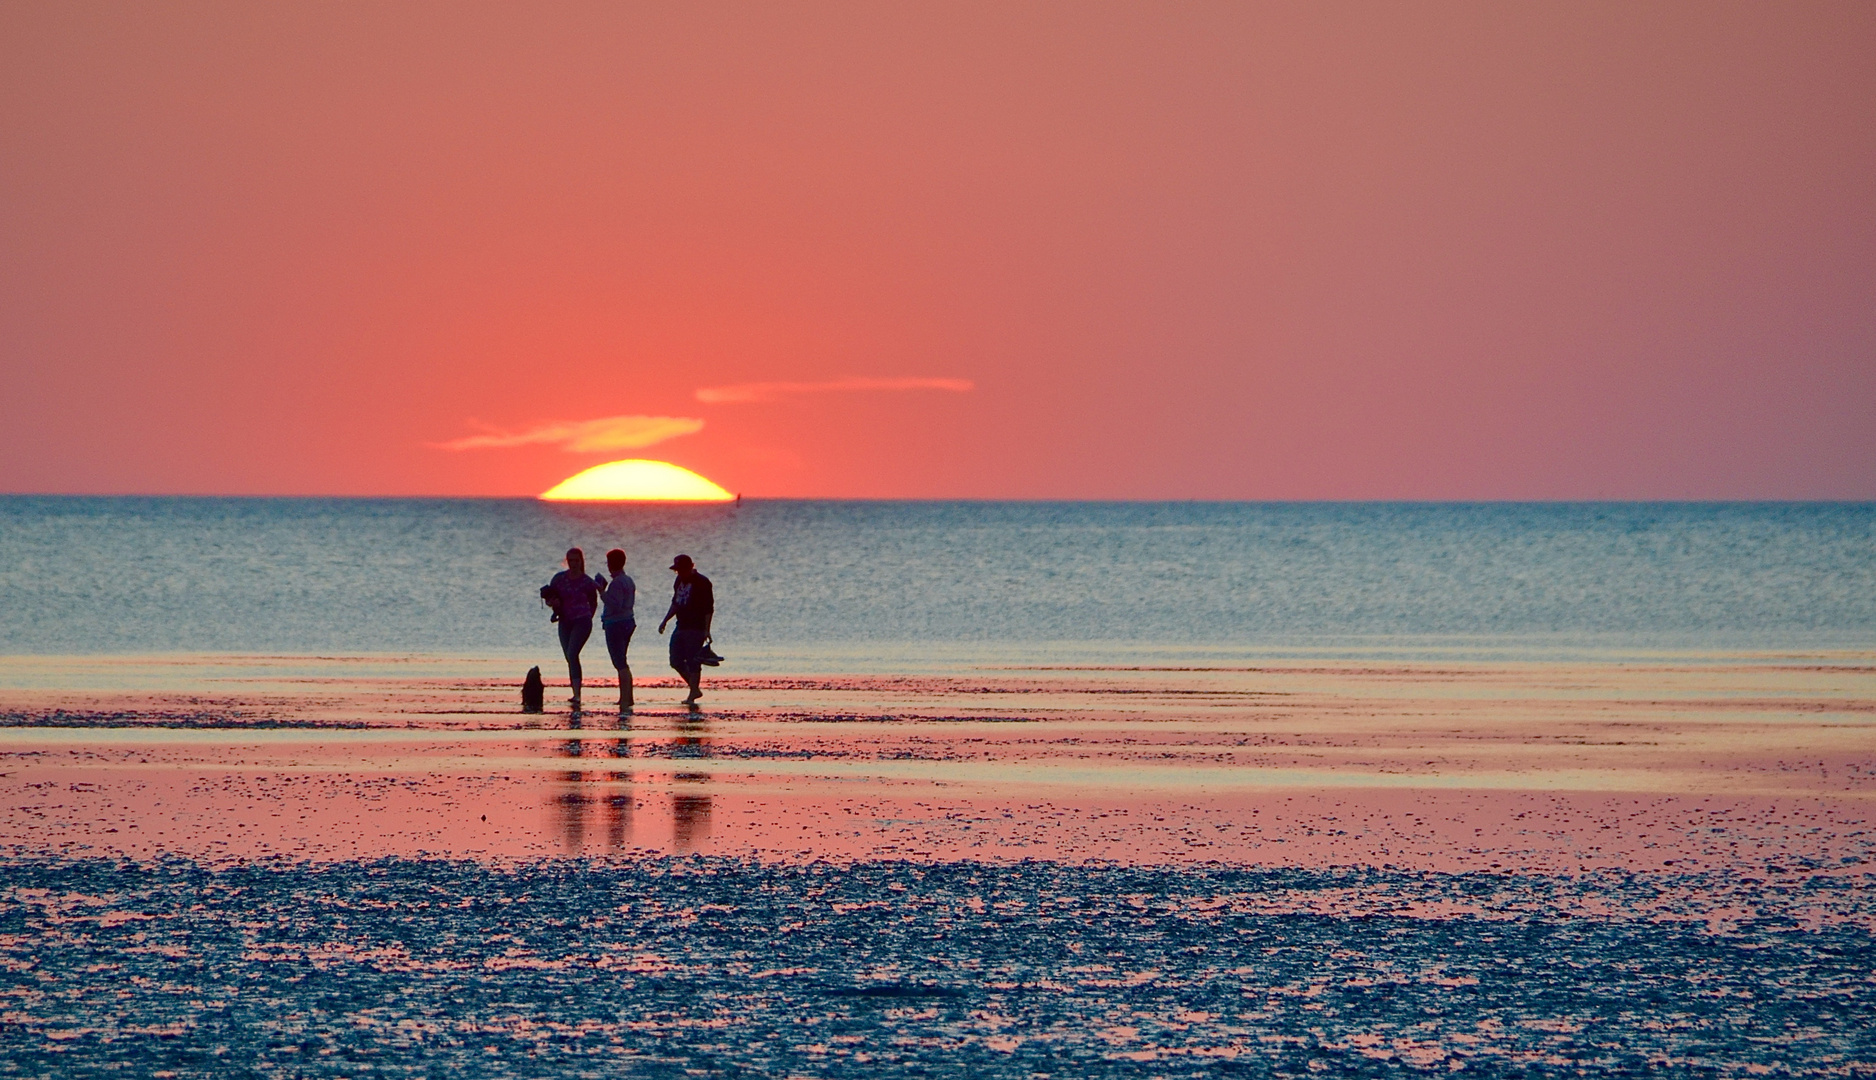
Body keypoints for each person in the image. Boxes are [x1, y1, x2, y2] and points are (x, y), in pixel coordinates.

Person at [542, 547, 600, 709]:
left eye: (576, 560)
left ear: (581, 561)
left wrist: (590, 616)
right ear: (567, 561)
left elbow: (594, 602)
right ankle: (574, 692)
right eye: (571, 560)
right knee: (569, 656)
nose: (573, 563)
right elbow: (549, 599)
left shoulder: (587, 581)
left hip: (582, 621)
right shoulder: (559, 579)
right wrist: (552, 604)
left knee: (572, 653)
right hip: (564, 621)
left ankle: (577, 695)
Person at [658, 553, 714, 706]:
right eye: (677, 571)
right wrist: (665, 621)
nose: (679, 573)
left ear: (690, 567)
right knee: (675, 660)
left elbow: (709, 609)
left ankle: (692, 693)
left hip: (696, 627)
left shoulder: (702, 582)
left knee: (693, 660)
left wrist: (707, 630)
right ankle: (694, 688)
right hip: (681, 625)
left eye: (681, 570)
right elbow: (675, 603)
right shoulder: (679, 581)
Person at [596, 548, 636, 709]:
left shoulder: (617, 583)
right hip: (628, 621)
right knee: (622, 661)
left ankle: (625, 698)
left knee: (619, 662)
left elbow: (616, 604)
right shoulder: (628, 580)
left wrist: (601, 592)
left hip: (617, 624)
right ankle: (626, 697)